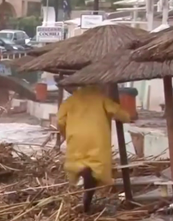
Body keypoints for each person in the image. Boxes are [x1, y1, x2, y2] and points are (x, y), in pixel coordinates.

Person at [56, 83, 132, 214]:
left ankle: (84, 185)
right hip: (97, 139)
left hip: (76, 140)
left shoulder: (70, 101)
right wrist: (128, 117)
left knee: (79, 164)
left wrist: (65, 134)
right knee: (96, 168)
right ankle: (88, 198)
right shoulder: (101, 98)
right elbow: (119, 113)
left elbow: (60, 122)